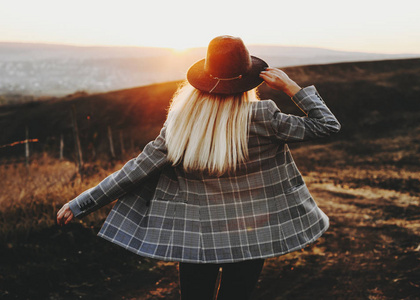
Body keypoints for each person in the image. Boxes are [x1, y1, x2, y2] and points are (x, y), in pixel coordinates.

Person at [57, 35, 341, 300]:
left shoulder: (182, 125)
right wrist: (291, 87)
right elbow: (328, 126)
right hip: (251, 234)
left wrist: (81, 203)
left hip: (197, 239)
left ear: (204, 80)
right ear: (251, 80)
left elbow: (135, 170)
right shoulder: (264, 116)